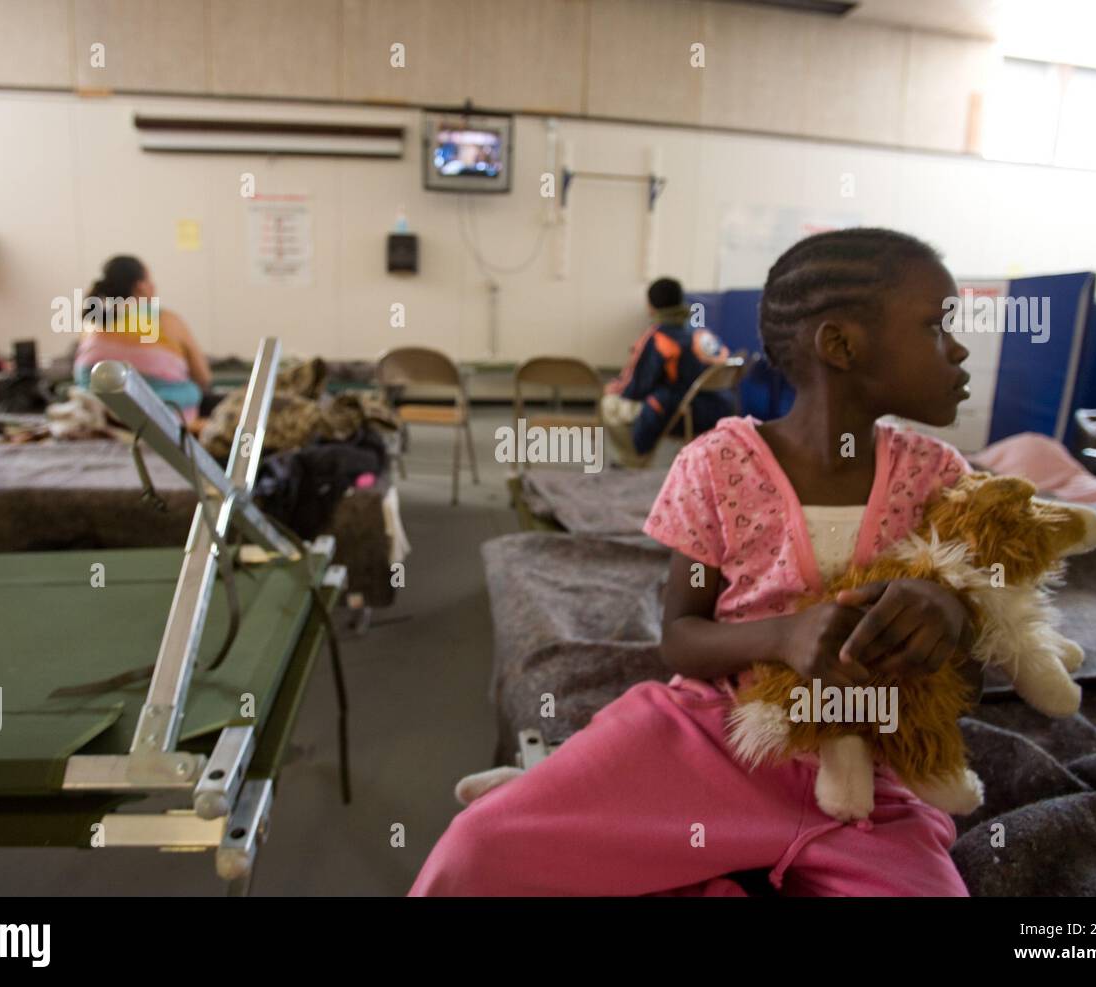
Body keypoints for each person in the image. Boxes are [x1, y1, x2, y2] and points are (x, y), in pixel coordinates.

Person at [411, 228, 984, 896]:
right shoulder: (717, 465)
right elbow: (680, 637)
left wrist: (951, 612)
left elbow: (971, 673)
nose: (959, 348)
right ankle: (575, 788)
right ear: (841, 345)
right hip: (715, 741)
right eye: (937, 326)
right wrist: (782, 635)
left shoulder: (943, 479)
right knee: (477, 849)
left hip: (871, 772)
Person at [601, 277, 733, 467]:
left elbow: (636, 388)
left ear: (651, 306)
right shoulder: (702, 333)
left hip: (683, 414)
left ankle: (632, 461)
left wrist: (614, 388)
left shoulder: (658, 337)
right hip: (722, 410)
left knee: (610, 403)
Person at [73, 255, 211, 421]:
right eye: (149, 280)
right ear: (140, 287)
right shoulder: (167, 320)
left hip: (97, 419)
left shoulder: (93, 323)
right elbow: (203, 377)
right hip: (167, 423)